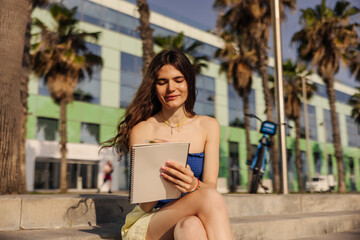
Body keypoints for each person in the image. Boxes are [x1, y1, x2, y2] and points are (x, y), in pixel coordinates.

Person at [103, 49, 234, 239]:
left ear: (188, 82)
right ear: (154, 87)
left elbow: (210, 186)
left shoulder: (209, 126)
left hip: (192, 216)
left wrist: (193, 185)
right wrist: (158, 163)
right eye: (162, 82)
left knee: (190, 227)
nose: (171, 88)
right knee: (209, 199)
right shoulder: (142, 131)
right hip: (153, 219)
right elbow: (146, 205)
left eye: (178, 80)